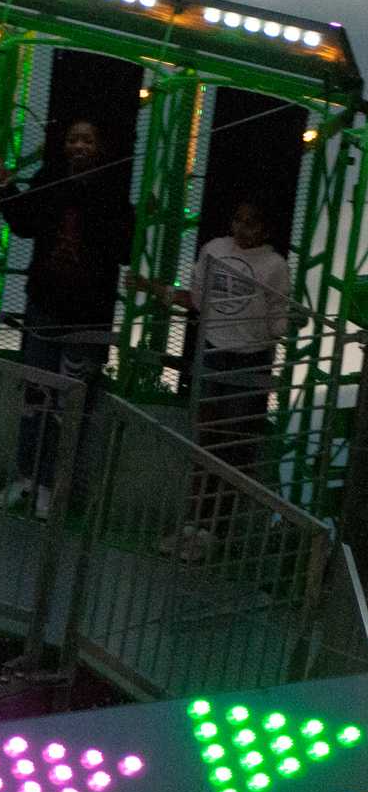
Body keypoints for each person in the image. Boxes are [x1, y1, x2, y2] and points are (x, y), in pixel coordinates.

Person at [0, 118, 135, 518]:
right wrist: (4, 187)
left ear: (99, 147)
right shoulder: (49, 179)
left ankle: (54, 486)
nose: (79, 145)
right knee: (35, 398)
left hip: (87, 317)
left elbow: (123, 248)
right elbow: (23, 224)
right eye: (73, 138)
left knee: (70, 407)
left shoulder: (112, 190)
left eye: (87, 138)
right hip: (45, 306)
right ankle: (25, 478)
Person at [135, 197, 298, 557]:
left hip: (250, 362)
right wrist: (156, 289)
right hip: (213, 354)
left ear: (266, 229)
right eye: (238, 220)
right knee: (206, 442)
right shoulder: (214, 250)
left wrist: (285, 326)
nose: (242, 228)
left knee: (232, 448)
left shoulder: (274, 266)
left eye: (251, 222)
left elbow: (277, 320)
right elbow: (197, 298)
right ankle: (194, 525)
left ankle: (212, 532)